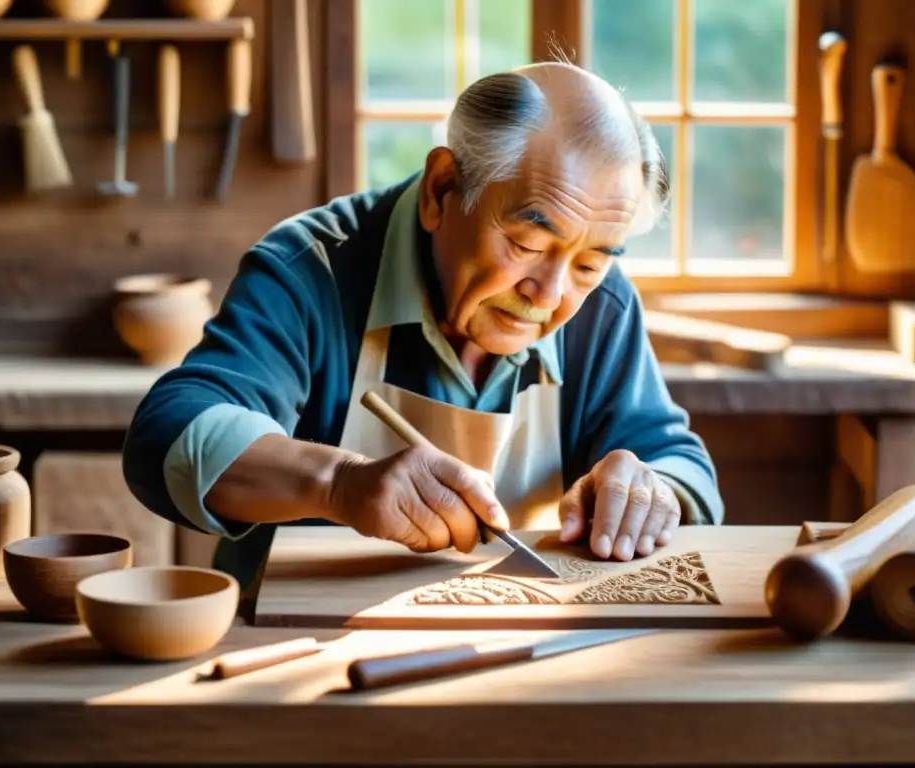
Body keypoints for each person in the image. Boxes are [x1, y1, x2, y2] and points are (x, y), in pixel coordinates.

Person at [122, 61, 724, 591]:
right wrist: (339, 484)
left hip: (514, 645)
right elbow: (169, 433)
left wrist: (651, 491)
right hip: (293, 649)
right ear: (442, 190)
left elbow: (677, 459)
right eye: (525, 242)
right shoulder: (313, 269)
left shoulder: (604, 303)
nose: (550, 293)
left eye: (591, 262)